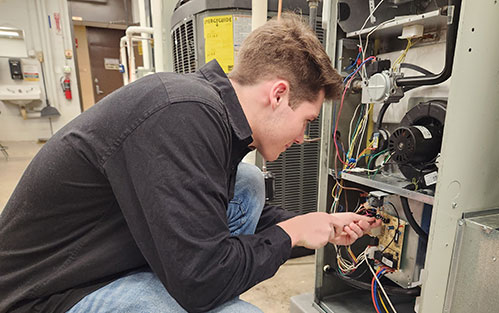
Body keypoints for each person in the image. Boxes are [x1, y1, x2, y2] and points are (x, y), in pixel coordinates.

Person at [0, 14, 381, 313]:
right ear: (279, 94)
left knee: (247, 183)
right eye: (307, 122)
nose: (302, 137)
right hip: (48, 291)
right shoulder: (182, 117)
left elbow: (207, 210)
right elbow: (201, 284)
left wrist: (319, 225)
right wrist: (291, 233)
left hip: (108, 253)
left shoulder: (209, 112)